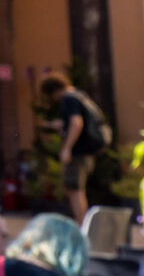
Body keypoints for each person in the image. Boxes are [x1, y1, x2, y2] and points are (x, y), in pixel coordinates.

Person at [47, 72, 110, 223]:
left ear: (54, 90)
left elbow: (76, 123)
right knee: (76, 189)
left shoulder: (69, 99)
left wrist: (66, 148)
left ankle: (81, 226)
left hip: (78, 152)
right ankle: (82, 223)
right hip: (87, 151)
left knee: (75, 190)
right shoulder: (80, 96)